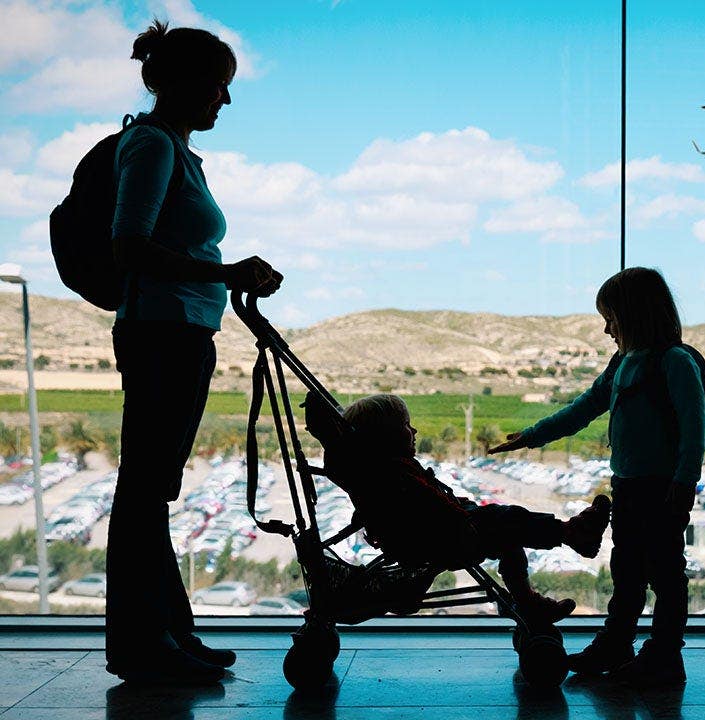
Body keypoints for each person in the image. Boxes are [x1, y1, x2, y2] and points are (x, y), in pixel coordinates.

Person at [106, 20, 283, 685]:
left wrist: (224, 276)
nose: (225, 100)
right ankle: (143, 645)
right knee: (143, 491)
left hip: (178, 331)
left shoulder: (174, 149)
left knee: (151, 490)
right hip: (162, 333)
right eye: (218, 85)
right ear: (180, 83)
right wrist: (224, 272)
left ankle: (168, 633)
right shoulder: (152, 145)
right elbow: (130, 245)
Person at [490, 267, 705, 687]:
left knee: (664, 573)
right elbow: (586, 406)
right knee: (627, 570)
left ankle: (664, 656)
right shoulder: (623, 363)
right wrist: (531, 436)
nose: (607, 329)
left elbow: (693, 432)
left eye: (611, 318)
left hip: (662, 490)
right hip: (628, 485)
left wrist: (683, 485)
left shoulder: (675, 362)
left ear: (635, 315)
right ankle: (618, 645)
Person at [307, 393, 612, 622]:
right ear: (385, 437)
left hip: (442, 532)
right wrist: (467, 515)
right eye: (406, 426)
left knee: (509, 536)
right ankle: (570, 534)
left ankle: (528, 600)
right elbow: (434, 509)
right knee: (508, 521)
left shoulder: (382, 472)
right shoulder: (394, 474)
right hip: (447, 537)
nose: (415, 431)